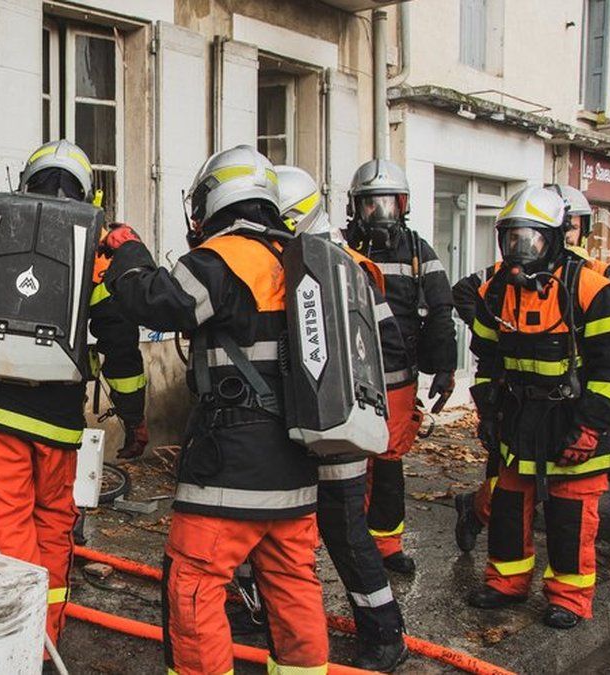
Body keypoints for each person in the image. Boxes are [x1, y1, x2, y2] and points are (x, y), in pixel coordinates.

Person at [100, 145, 328, 675]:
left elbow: (153, 301)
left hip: (232, 463)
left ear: (212, 199)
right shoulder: (301, 258)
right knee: (293, 585)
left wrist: (128, 251)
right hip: (297, 464)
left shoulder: (227, 257)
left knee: (195, 583)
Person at [0, 139, 147, 662]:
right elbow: (119, 341)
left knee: (7, 527)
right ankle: (45, 648)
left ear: (25, 182)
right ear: (88, 192)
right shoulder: (93, 247)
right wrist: (134, 416)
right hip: (57, 421)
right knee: (53, 526)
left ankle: (14, 650)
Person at [466, 185, 610, 629]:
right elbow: (486, 360)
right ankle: (506, 583)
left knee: (570, 518)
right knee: (509, 508)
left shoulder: (592, 290)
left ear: (553, 239)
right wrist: (488, 414)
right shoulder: (495, 292)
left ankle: (569, 598)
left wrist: (590, 428)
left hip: (574, 421)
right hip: (519, 421)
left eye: (530, 239)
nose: (520, 249)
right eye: (512, 238)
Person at [275, 165, 410, 670]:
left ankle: (384, 631)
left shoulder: (347, 268)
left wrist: (378, 417)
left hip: (338, 428)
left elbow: (386, 349)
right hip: (293, 426)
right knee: (272, 528)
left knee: (345, 532)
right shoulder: (285, 263)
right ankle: (256, 611)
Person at [346, 159, 457, 574]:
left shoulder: (417, 251)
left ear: (403, 205)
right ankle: (346, 540)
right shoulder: (339, 246)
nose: (380, 213)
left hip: (397, 377)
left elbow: (441, 310)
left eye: (388, 203)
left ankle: (386, 545)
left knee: (388, 461)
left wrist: (444, 368)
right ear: (356, 206)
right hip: (349, 373)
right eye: (371, 204)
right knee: (346, 460)